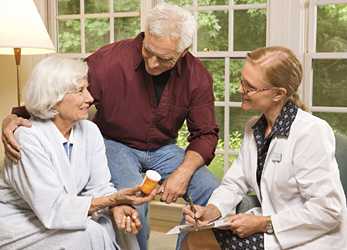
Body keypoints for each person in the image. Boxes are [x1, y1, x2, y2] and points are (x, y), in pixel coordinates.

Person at [1, 3, 219, 250]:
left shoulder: (197, 76)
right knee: (134, 198)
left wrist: (183, 173)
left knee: (211, 190)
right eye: (149, 51)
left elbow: (205, 133)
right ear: (145, 34)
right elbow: (58, 89)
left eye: (164, 58)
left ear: (183, 51)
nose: (153, 64)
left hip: (164, 149)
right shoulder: (109, 61)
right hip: (117, 143)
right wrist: (14, 118)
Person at [182, 46, 347, 250]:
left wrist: (264, 223)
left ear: (278, 94)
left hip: (310, 238)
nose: (240, 89)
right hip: (271, 229)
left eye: (249, 87)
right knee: (195, 236)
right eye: (242, 82)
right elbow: (234, 183)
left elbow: (328, 211)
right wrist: (212, 210)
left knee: (200, 242)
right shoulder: (254, 128)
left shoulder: (311, 133)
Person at [0, 56, 157, 250]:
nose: (90, 98)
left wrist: (117, 205)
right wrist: (114, 199)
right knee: (90, 234)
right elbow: (51, 209)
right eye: (80, 91)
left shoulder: (89, 131)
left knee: (115, 225)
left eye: (87, 89)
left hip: (61, 214)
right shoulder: (27, 139)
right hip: (24, 223)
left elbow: (100, 186)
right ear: (53, 98)